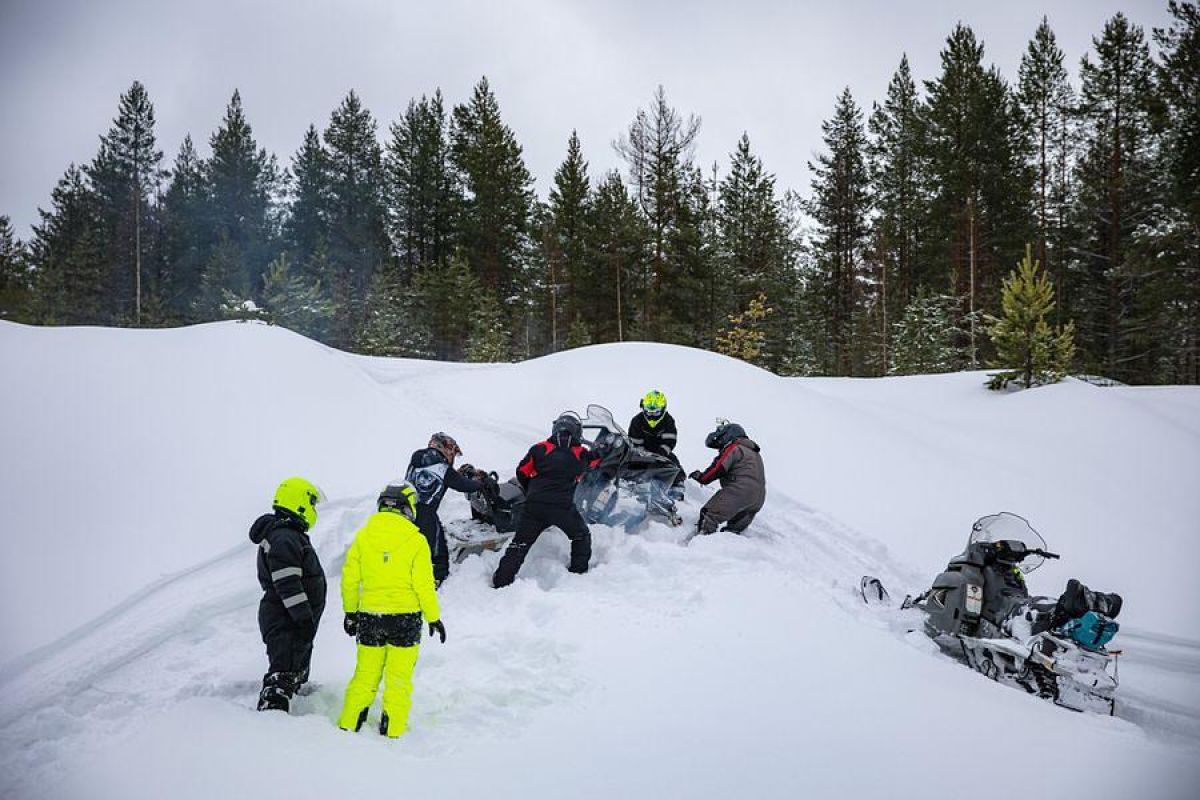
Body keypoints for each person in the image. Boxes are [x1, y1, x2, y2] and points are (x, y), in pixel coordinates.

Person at [338, 481, 445, 738]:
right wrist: (434, 618)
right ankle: (393, 732)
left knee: (365, 674)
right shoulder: (416, 540)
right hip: (405, 620)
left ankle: (348, 724)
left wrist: (351, 613)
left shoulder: (363, 537)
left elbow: (350, 579)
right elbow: (424, 585)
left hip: (370, 617)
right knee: (398, 679)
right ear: (408, 508)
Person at [249, 477, 328, 712]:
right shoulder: (284, 537)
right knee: (282, 673)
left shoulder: (288, 535)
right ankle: (273, 722)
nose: (314, 509)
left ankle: (293, 704)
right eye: (312, 503)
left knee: (294, 669)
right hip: (285, 618)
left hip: (290, 618)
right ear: (300, 502)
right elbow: (287, 583)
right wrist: (303, 616)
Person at [492, 413, 596, 588]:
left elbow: (522, 472)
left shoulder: (539, 448)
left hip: (534, 506)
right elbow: (593, 464)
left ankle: (501, 581)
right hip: (562, 508)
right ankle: (578, 574)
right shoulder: (580, 453)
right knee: (581, 535)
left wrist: (532, 487)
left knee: (519, 544)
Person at [406, 432, 496, 587]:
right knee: (437, 549)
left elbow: (446, 477)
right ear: (445, 448)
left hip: (407, 509)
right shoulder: (440, 465)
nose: (452, 456)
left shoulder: (419, 457)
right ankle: (436, 579)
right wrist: (481, 483)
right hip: (425, 512)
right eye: (452, 452)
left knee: (414, 543)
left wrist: (457, 474)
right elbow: (461, 485)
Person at [689, 421, 766, 537]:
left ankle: (699, 546)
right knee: (732, 533)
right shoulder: (754, 453)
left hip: (740, 491)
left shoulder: (735, 447)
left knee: (709, 515)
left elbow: (718, 467)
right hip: (758, 498)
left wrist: (702, 478)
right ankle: (726, 552)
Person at [629, 389, 685, 495]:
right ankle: (629, 483)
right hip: (641, 451)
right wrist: (642, 454)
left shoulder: (668, 421)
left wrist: (660, 454)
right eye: (648, 412)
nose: (651, 416)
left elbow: (670, 441)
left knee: (673, 462)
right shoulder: (637, 420)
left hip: (661, 451)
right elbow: (633, 441)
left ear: (663, 409)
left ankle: (677, 486)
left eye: (656, 413)